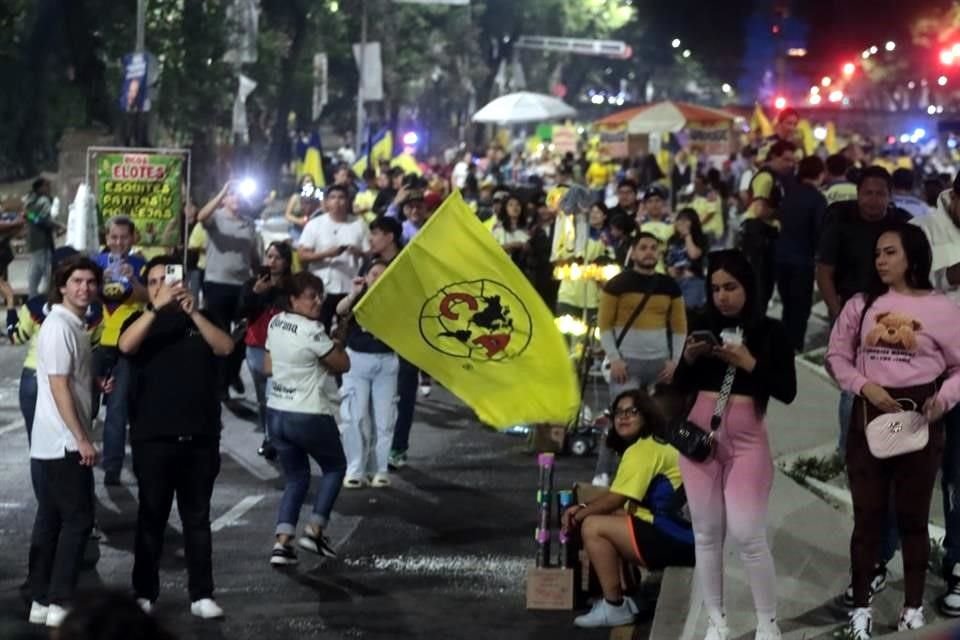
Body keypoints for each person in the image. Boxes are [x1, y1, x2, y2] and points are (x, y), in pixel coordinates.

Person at [825, 223, 960, 637]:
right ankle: (862, 608)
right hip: (868, 419)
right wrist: (864, 386)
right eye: (878, 253)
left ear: (913, 257)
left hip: (920, 420)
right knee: (866, 517)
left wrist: (943, 401)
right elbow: (837, 355)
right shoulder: (861, 304)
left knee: (914, 520)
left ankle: (912, 609)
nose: (881, 260)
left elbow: (959, 368)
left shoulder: (941, 308)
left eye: (890, 253)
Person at [671, 249, 797, 640]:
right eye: (715, 288)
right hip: (699, 443)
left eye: (731, 287)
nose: (722, 296)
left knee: (748, 534)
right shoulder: (701, 322)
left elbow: (787, 391)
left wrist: (749, 363)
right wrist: (689, 360)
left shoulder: (771, 331)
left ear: (749, 287)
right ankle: (717, 621)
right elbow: (677, 388)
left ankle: (766, 623)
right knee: (706, 535)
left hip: (747, 444)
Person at [117, 255, 234, 619]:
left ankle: (201, 594)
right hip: (153, 438)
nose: (160, 286)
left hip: (200, 438)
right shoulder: (141, 319)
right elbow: (125, 346)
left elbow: (225, 348)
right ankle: (144, 593)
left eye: (166, 280)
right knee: (151, 518)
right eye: (152, 281)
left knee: (196, 520)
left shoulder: (204, 317)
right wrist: (155, 309)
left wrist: (193, 313)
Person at [564, 389, 694, 628]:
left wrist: (578, 513)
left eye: (632, 412)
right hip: (685, 534)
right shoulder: (653, 442)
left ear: (646, 415)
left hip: (680, 538)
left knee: (594, 526)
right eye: (618, 413)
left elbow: (615, 498)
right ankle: (631, 598)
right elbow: (621, 502)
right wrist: (587, 507)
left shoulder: (643, 449)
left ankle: (614, 606)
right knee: (611, 517)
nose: (623, 417)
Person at [27, 257, 102, 628]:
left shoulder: (72, 325)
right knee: (77, 521)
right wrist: (82, 439)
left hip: (52, 443)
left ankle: (41, 599)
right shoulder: (60, 326)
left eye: (90, 282)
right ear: (61, 285)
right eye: (76, 281)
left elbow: (67, 379)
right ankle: (60, 600)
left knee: (52, 521)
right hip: (62, 445)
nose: (84, 288)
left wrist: (94, 383)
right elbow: (58, 386)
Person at [264, 271, 350, 566]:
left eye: (319, 296)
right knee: (335, 467)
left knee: (296, 477)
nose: (317, 301)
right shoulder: (312, 330)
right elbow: (342, 364)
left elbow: (267, 366)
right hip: (308, 412)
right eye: (310, 296)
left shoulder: (275, 322)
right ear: (293, 299)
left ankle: (282, 543)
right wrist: (338, 339)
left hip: (276, 412)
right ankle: (314, 530)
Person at [595, 232, 687, 486]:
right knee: (621, 419)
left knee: (657, 423)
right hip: (626, 365)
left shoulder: (670, 286)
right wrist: (614, 358)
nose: (649, 252)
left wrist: (674, 361)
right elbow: (604, 325)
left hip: (659, 366)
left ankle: (649, 477)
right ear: (633, 252)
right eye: (643, 248)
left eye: (653, 248)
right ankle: (604, 473)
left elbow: (680, 328)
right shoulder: (617, 284)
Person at [912, 176, 960, 616]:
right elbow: (911, 285)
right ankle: (893, 559)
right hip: (929, 374)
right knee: (914, 472)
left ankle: (958, 564)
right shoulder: (924, 226)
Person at [93, 216, 148, 485]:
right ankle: (76, 456)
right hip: (95, 345)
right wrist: (96, 283)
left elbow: (149, 298)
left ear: (133, 238)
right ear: (106, 238)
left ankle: (112, 467)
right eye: (113, 237)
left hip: (126, 346)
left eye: (123, 237)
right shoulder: (95, 263)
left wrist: (134, 281)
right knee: (86, 405)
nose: (118, 242)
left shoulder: (141, 264)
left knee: (117, 409)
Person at [335, 260, 398, 488]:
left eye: (383, 274)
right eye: (373, 274)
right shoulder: (358, 297)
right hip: (357, 361)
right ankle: (354, 469)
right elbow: (340, 310)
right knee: (354, 416)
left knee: (385, 419)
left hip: (387, 362)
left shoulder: (397, 298)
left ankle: (379, 469)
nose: (378, 278)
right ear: (366, 276)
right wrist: (354, 293)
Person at [196, 180, 260, 398]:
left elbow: (252, 255)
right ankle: (220, 384)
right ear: (224, 199)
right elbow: (201, 217)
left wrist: (261, 276)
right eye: (232, 195)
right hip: (217, 284)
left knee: (244, 333)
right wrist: (223, 188)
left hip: (242, 285)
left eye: (238, 195)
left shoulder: (249, 223)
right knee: (221, 333)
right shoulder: (217, 219)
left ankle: (232, 372)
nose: (237, 198)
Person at [239, 241, 293, 460]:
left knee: (274, 396)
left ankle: (274, 440)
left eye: (277, 257)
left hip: (280, 349)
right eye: (269, 256)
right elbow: (241, 310)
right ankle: (269, 435)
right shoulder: (253, 284)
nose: (272, 262)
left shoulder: (292, 287)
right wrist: (255, 293)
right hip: (256, 346)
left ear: (287, 262)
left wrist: (276, 291)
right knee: (263, 399)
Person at [297, 183, 369, 334]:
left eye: (341, 197)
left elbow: (370, 253)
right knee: (319, 330)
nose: (337, 201)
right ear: (326, 202)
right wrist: (327, 254)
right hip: (322, 289)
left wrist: (358, 252)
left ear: (348, 201)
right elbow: (302, 255)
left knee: (347, 332)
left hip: (350, 288)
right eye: (333, 197)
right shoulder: (315, 224)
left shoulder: (359, 224)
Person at [774, 155, 827, 353]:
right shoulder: (817, 199)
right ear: (820, 175)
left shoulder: (789, 194)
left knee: (787, 306)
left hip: (781, 258)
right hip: (802, 261)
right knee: (800, 308)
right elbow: (819, 232)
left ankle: (783, 345)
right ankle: (793, 348)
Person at [740, 140, 797, 313]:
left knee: (765, 288)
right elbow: (758, 209)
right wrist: (782, 212)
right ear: (773, 157)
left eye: (792, 160)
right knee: (759, 288)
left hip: (764, 237)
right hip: (758, 237)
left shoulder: (776, 178)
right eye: (786, 160)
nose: (791, 164)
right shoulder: (765, 178)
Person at [665, 209, 709, 311]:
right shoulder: (671, 240)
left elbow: (694, 255)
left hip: (693, 281)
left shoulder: (701, 238)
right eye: (680, 220)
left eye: (686, 220)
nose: (682, 223)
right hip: (674, 282)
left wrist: (687, 236)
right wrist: (671, 270)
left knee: (689, 312)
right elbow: (668, 261)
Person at [24, 178, 59, 297]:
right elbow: (43, 220)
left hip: (33, 242)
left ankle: (32, 299)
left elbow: (30, 216)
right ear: (40, 188)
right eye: (47, 186)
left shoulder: (29, 200)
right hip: (42, 242)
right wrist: (58, 226)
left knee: (34, 273)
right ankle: (45, 300)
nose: (49, 188)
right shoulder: (43, 201)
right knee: (47, 274)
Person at [492, 193, 530, 269]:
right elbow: (492, 249)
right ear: (505, 208)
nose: (515, 207)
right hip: (503, 269)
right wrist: (511, 245)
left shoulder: (528, 228)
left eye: (518, 205)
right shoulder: (498, 229)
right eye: (511, 205)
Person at [283, 175, 322, 242]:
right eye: (307, 181)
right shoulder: (296, 197)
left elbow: (323, 211)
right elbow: (287, 215)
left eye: (311, 181)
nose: (310, 184)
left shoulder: (317, 197)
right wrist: (299, 221)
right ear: (302, 185)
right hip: (297, 229)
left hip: (313, 230)